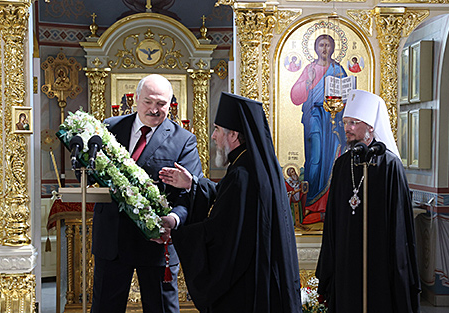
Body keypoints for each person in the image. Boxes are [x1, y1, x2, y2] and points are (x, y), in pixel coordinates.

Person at [159, 92, 302, 313]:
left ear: (233, 134)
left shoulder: (242, 173)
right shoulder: (250, 165)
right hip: (259, 275)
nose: (213, 136)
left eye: (217, 129)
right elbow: (229, 201)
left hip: (245, 286)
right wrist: (192, 184)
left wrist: (178, 234)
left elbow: (224, 232)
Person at [90, 74, 203, 313]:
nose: (154, 109)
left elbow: (190, 193)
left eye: (161, 104)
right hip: (112, 240)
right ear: (136, 99)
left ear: (171, 104)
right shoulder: (108, 128)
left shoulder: (184, 141)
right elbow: (91, 174)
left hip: (157, 242)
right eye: (148, 102)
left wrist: (173, 220)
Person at [316, 89, 421, 313]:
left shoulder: (390, 166)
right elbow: (333, 220)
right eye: (345, 122)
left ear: (370, 126)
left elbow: (400, 224)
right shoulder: (343, 165)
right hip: (345, 261)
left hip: (380, 260)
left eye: (354, 123)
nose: (347, 128)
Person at [290, 34, 348, 223]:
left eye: (328, 45)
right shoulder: (310, 69)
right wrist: (308, 82)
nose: (324, 49)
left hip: (333, 120)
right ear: (315, 48)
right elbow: (295, 96)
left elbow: (347, 95)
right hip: (314, 117)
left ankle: (330, 206)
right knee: (315, 160)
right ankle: (312, 206)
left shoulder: (338, 69)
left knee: (333, 158)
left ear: (333, 48)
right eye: (321, 45)